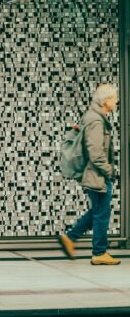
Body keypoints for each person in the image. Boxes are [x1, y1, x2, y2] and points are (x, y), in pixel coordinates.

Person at [59, 84, 120, 265]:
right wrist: (109, 171)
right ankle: (99, 252)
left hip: (95, 173)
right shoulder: (96, 120)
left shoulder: (95, 117)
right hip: (97, 174)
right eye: (114, 98)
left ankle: (71, 237)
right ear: (105, 100)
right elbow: (95, 153)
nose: (116, 101)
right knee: (101, 213)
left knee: (99, 211)